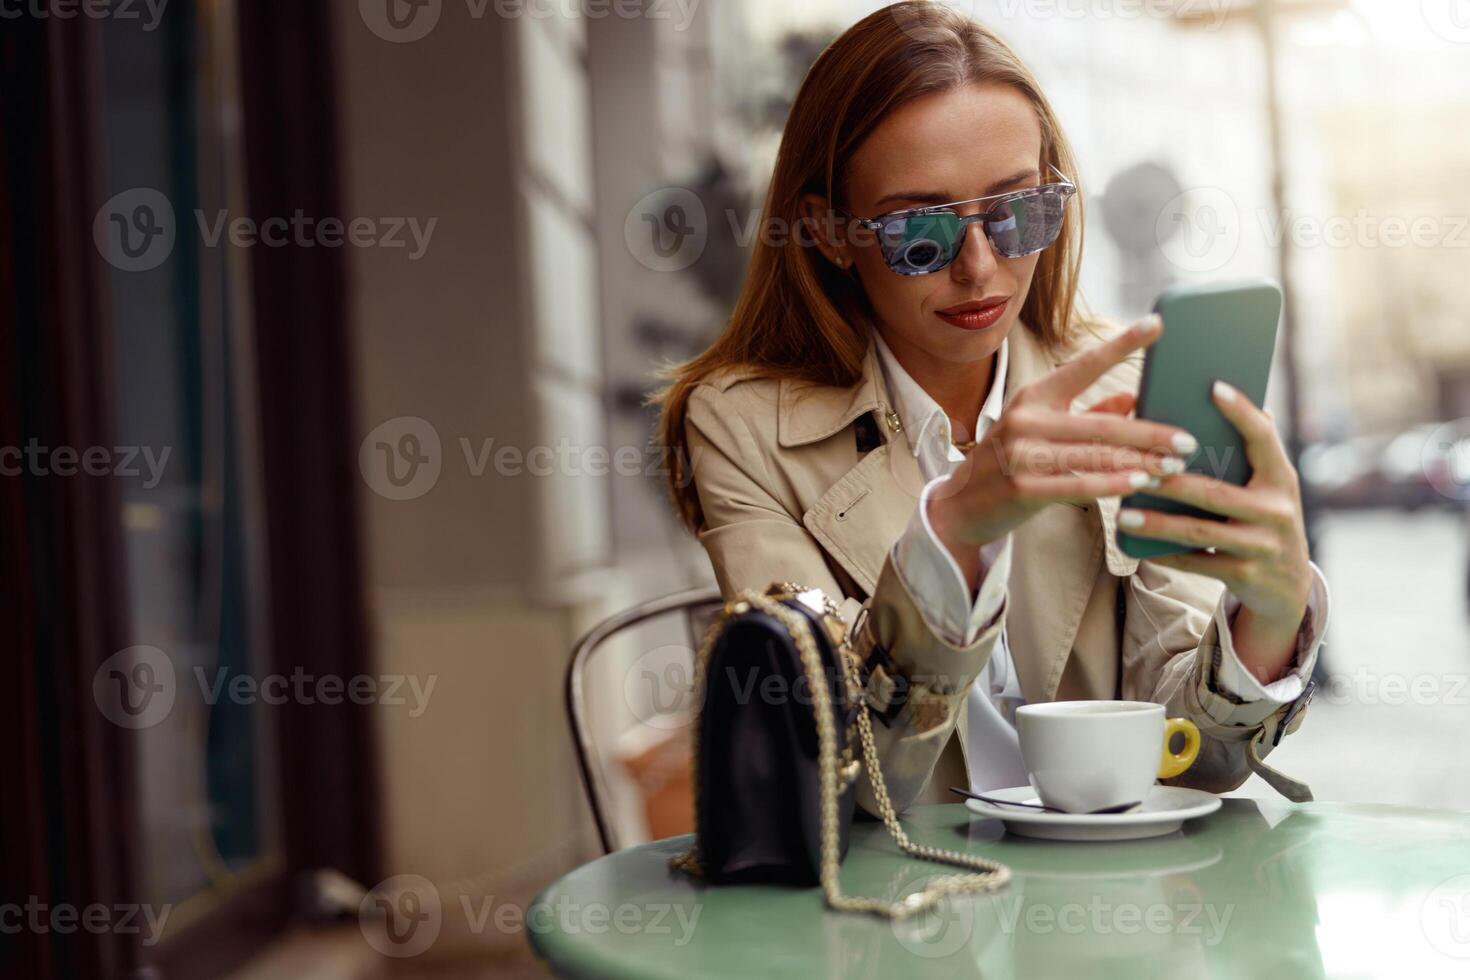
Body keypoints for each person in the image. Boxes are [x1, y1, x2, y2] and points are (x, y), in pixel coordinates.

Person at [653, 1, 1328, 815]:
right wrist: (953, 532)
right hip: (890, 911)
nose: (981, 269)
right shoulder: (740, 426)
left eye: (1020, 212)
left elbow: (1188, 761)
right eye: (920, 233)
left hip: (1104, 913)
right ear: (828, 231)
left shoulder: (1123, 385)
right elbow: (835, 773)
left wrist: (1270, 614)